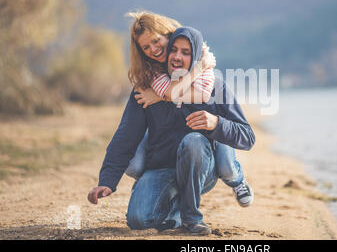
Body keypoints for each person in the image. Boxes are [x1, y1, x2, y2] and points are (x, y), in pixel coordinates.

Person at [88, 26, 255, 235]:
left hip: (202, 170)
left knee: (194, 141)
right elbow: (126, 135)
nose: (177, 57)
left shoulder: (214, 87)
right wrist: (107, 181)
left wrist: (216, 123)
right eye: (174, 50)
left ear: (196, 56)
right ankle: (171, 206)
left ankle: (191, 217)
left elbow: (247, 137)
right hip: (160, 167)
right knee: (139, 220)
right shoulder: (147, 89)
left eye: (185, 53)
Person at [123, 11, 253, 207]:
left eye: (157, 41)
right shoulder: (151, 75)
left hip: (206, 142)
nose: (154, 50)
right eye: (146, 47)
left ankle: (237, 181)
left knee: (226, 166)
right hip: (168, 155)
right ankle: (150, 188)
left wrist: (216, 122)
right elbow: (169, 92)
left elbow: (201, 95)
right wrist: (161, 94)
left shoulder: (209, 74)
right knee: (134, 166)